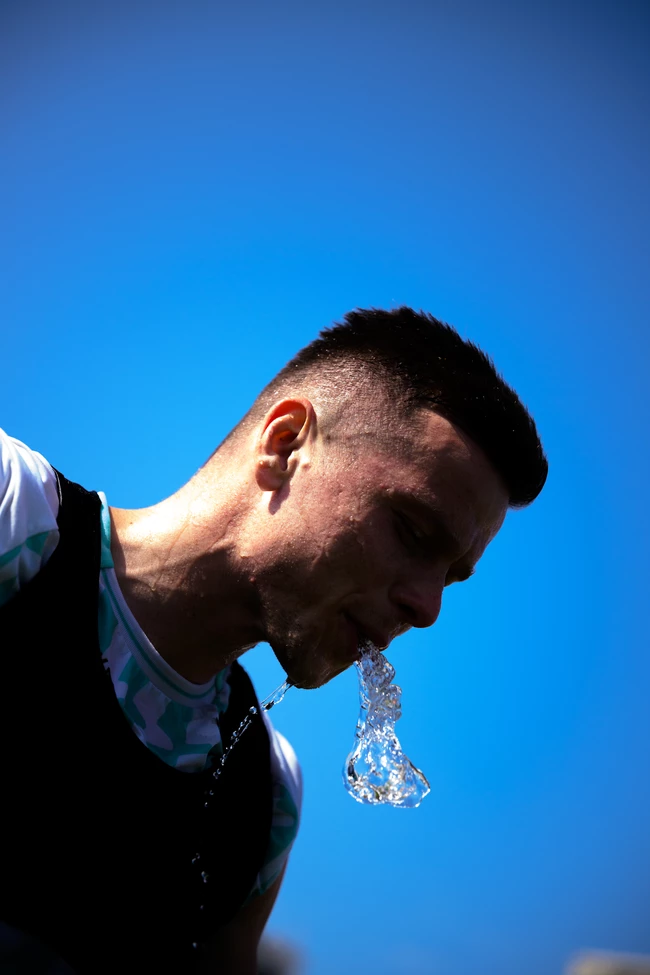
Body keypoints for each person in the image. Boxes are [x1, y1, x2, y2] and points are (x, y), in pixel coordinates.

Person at [0, 306, 547, 974]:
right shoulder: (16, 520)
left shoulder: (262, 800)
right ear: (286, 446)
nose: (427, 607)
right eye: (411, 531)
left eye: (451, 578)